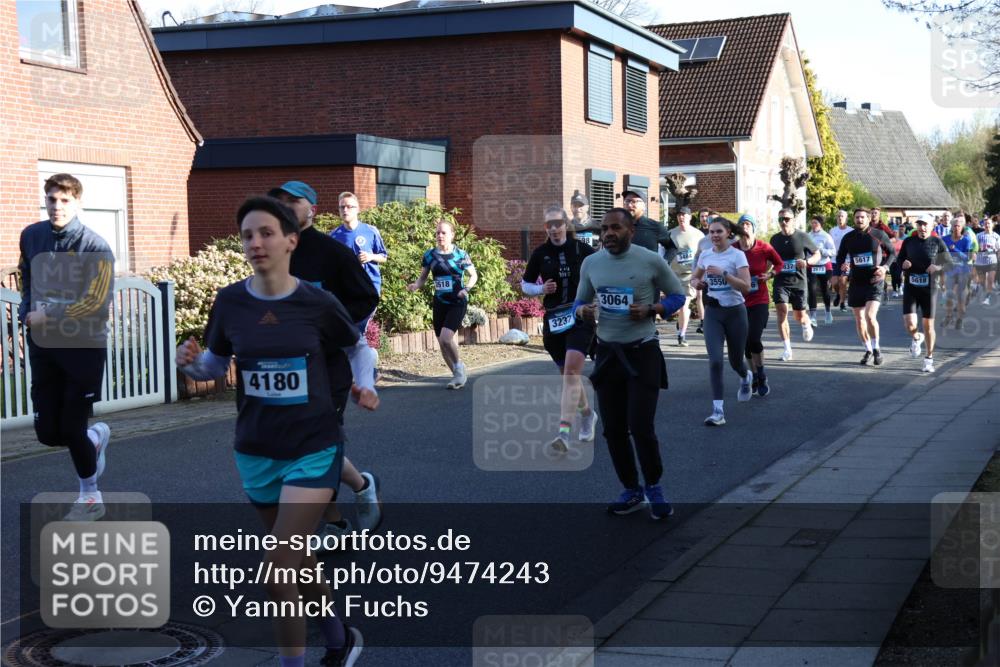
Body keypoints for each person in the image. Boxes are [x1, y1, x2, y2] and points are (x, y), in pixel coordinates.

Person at [177, 196, 369, 666]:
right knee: (298, 560)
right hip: (256, 449)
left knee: (279, 566)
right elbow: (216, 364)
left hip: (314, 446)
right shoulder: (231, 301)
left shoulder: (316, 301)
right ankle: (338, 635)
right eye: (247, 235)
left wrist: (365, 385)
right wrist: (189, 365)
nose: (256, 243)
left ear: (290, 241)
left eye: (266, 233)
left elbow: (358, 349)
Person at [268, 181, 384, 543]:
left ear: (312, 209)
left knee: (316, 444)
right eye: (280, 201)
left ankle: (333, 523)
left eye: (294, 201)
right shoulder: (273, 251)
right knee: (304, 445)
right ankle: (362, 485)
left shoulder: (332, 253)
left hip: (328, 365)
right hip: (285, 368)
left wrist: (329, 325)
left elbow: (365, 296)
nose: (285, 206)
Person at [574, 208, 685, 520]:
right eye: (604, 229)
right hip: (608, 355)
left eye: (615, 228)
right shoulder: (591, 263)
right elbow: (579, 303)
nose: (608, 234)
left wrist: (653, 308)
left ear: (630, 231)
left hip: (642, 353)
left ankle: (654, 486)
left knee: (640, 426)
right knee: (613, 430)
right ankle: (631, 489)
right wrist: (582, 312)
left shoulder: (650, 260)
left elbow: (678, 296)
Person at [18, 173, 114, 521]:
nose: (57, 207)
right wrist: (28, 311)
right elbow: (26, 274)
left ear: (78, 203)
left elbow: (97, 303)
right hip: (44, 345)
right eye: (51, 200)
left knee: (72, 429)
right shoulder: (32, 236)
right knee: (48, 433)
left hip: (83, 346)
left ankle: (91, 497)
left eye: (64, 200)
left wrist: (50, 314)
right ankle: (95, 437)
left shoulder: (95, 246)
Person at [522, 205, 597, 452]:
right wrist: (541, 290)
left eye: (558, 223)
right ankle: (588, 413)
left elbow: (601, 275)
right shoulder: (540, 253)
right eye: (549, 225)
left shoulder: (583, 250)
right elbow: (526, 284)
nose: (554, 229)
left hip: (579, 316)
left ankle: (563, 433)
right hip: (554, 320)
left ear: (566, 224)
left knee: (571, 375)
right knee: (568, 376)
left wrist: (596, 301)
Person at [690, 218, 753, 426]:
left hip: (735, 313)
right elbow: (694, 277)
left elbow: (745, 286)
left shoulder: (737, 255)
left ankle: (745, 376)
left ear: (728, 233)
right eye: (711, 232)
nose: (714, 235)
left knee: (736, 360)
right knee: (715, 361)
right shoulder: (706, 255)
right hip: (713, 313)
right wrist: (697, 283)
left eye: (718, 231)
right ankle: (718, 411)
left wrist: (724, 274)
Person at [407, 219, 478, 389]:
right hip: (440, 302)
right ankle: (456, 375)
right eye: (437, 232)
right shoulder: (430, 255)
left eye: (443, 232)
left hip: (457, 301)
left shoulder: (461, 255)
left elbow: (473, 275)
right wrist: (416, 285)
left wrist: (466, 289)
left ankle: (459, 368)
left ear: (452, 235)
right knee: (441, 342)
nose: (440, 235)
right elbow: (423, 277)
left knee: (447, 338)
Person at [330, 192, 388, 376]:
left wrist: (370, 257)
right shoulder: (334, 236)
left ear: (358, 210)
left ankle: (368, 370)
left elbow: (384, 257)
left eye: (349, 206)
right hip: (346, 292)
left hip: (369, 289)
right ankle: (369, 359)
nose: (345, 210)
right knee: (350, 332)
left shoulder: (370, 231)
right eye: (342, 207)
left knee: (357, 330)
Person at [836, 208, 896, 365]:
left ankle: (877, 349)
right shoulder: (848, 238)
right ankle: (868, 349)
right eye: (857, 217)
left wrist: (884, 268)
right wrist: (842, 267)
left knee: (870, 316)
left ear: (869, 219)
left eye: (863, 217)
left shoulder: (878, 234)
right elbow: (840, 256)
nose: (859, 220)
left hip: (874, 280)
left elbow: (891, 253)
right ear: (853, 219)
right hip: (856, 281)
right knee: (859, 319)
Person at [733, 214, 783, 397]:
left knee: (754, 337)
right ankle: (754, 376)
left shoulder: (763, 247)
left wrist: (770, 275)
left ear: (754, 227)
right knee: (745, 342)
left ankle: (761, 373)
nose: (745, 227)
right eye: (742, 224)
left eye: (748, 224)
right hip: (739, 300)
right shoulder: (733, 249)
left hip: (759, 299)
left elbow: (779, 263)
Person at [898, 215, 951, 373]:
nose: (922, 228)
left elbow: (949, 263)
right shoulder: (909, 242)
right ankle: (916, 338)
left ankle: (928, 359)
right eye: (920, 224)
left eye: (925, 225)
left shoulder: (937, 242)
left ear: (932, 226)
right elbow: (899, 260)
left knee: (928, 325)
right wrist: (903, 264)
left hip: (929, 289)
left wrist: (938, 268)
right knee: (910, 325)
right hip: (911, 287)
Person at [769, 208, 821, 361]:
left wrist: (807, 262)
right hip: (780, 281)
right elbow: (770, 260)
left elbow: (817, 254)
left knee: (799, 315)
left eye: (786, 219)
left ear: (793, 220)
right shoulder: (775, 239)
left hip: (798, 282)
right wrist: (765, 273)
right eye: (780, 219)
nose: (783, 222)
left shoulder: (802, 237)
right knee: (782, 311)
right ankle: (787, 349)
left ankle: (806, 323)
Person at [667, 206, 706, 347]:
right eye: (679, 215)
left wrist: (702, 273)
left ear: (690, 217)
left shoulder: (698, 235)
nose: (681, 217)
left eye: (684, 215)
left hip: (691, 275)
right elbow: (662, 253)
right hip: (673, 274)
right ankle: (681, 323)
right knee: (678, 305)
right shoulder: (670, 234)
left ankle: (681, 335)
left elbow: (704, 254)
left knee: (684, 303)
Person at [941, 214, 976, 330]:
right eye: (955, 226)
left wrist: (953, 249)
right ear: (951, 227)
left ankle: (960, 319)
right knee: (949, 297)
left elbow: (967, 258)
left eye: (959, 226)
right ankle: (949, 316)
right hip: (949, 272)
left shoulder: (966, 240)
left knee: (961, 299)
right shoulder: (945, 239)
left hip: (963, 272)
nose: (956, 228)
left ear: (962, 228)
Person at [806, 215, 836, 326]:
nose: (813, 225)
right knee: (812, 290)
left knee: (824, 289)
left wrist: (822, 251)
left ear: (821, 225)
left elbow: (833, 251)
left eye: (816, 223)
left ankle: (828, 312)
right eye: (812, 223)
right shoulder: (808, 236)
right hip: (812, 265)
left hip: (824, 265)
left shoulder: (826, 236)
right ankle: (813, 316)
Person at [829, 209, 853, 312]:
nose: (840, 218)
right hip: (834, 260)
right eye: (838, 216)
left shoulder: (851, 231)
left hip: (846, 260)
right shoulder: (832, 230)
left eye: (842, 216)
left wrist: (850, 261)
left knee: (842, 281)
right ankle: (839, 294)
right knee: (834, 283)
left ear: (846, 218)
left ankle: (842, 303)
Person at [978, 217, 1000, 305]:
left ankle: (988, 297)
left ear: (992, 225)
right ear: (983, 225)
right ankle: (982, 290)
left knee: (990, 280)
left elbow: (999, 249)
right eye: (985, 223)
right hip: (981, 261)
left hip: (992, 260)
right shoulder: (979, 235)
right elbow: (975, 248)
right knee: (982, 281)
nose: (987, 225)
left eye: (989, 223)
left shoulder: (997, 236)